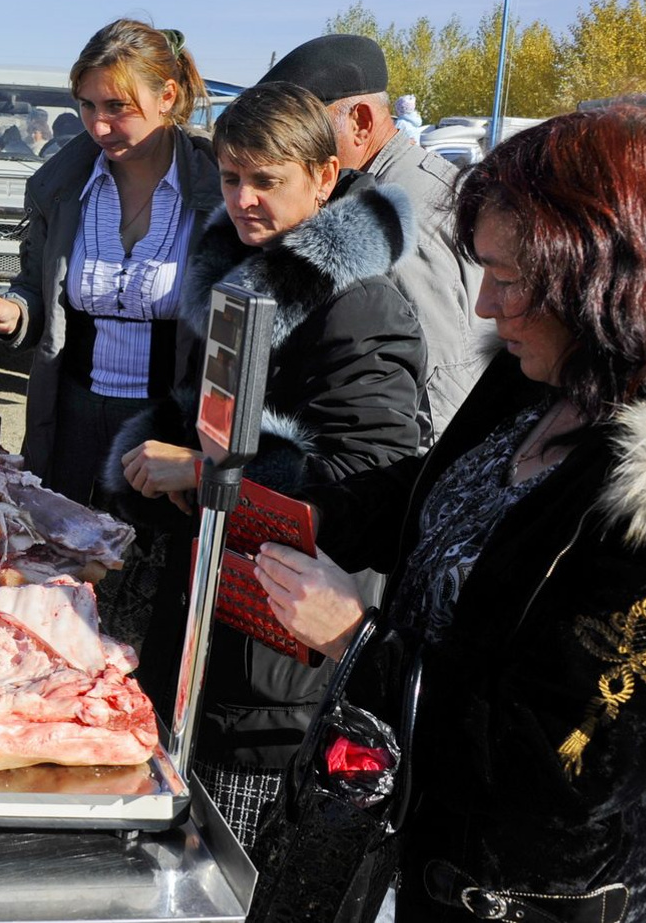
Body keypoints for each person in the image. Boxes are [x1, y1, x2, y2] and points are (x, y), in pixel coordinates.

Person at [254, 105, 646, 921]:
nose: (485, 304)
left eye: (509, 277)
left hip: (513, 894)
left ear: (606, 277)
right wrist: (308, 515)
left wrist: (359, 641)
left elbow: (570, 764)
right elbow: (449, 496)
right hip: (409, 844)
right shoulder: (545, 372)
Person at [105, 81, 424, 847]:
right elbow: (196, 415)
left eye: (266, 181)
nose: (243, 200)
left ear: (323, 176)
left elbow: (372, 490)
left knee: (233, 862)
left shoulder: (362, 306)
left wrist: (206, 476)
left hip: (275, 664)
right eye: (229, 177)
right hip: (204, 622)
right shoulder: (236, 272)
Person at [0, 19, 221, 506]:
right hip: (70, 421)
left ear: (167, 96)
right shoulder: (60, 189)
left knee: (143, 572)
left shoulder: (218, 193)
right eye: (87, 105)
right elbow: (38, 290)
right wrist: (10, 311)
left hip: (167, 435)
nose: (98, 126)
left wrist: (198, 450)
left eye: (118, 107)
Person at [258, 34, 479, 446]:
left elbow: (438, 382)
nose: (286, 141)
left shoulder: (396, 210)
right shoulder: (386, 187)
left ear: (359, 122)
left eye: (301, 125)